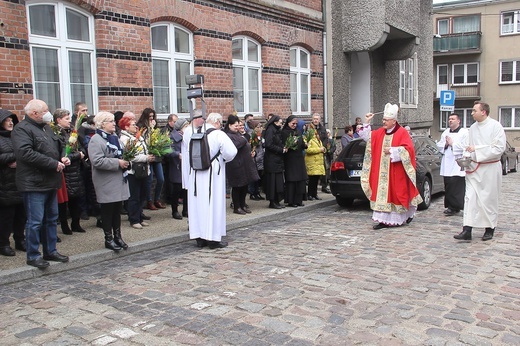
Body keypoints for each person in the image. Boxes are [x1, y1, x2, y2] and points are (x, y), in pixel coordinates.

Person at [12, 99, 69, 268]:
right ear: (34, 113)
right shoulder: (22, 129)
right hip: (33, 183)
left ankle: (50, 250)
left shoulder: (46, 127)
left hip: (50, 180)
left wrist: (63, 156)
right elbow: (25, 153)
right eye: (45, 110)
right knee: (35, 221)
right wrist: (53, 163)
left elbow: (59, 144)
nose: (48, 113)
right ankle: (33, 254)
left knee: (51, 219)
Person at [359, 103, 422, 230]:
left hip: (396, 171)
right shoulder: (379, 133)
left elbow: (409, 150)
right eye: (383, 119)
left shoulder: (402, 132)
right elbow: (367, 137)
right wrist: (367, 121)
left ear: (394, 121)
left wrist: (393, 151)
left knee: (398, 193)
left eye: (386, 120)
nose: (383, 122)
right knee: (382, 195)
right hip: (381, 172)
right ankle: (383, 220)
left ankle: (405, 216)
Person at [454, 101, 506, 241]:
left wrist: (477, 149)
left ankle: (489, 229)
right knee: (470, 198)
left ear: (483, 112)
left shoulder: (496, 127)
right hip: (475, 169)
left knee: (488, 200)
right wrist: (466, 158)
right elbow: (469, 147)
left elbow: (498, 149)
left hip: (490, 169)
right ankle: (467, 229)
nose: (471, 113)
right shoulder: (473, 128)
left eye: (474, 110)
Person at [184, 112, 237, 249]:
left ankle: (199, 237)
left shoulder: (195, 133)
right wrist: (223, 159)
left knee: (198, 204)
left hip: (196, 172)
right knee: (213, 203)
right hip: (212, 172)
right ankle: (213, 238)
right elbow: (231, 152)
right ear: (218, 122)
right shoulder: (218, 134)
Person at [88, 111, 130, 251]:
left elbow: (121, 154)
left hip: (117, 179)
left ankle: (118, 236)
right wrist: (117, 162)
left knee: (116, 210)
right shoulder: (96, 139)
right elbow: (97, 161)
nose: (114, 123)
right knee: (107, 211)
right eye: (111, 121)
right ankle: (108, 238)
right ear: (102, 124)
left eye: (113, 121)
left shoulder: (114, 138)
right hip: (105, 181)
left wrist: (126, 161)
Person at [54, 108, 87, 235]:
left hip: (76, 170)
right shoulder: (56, 133)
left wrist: (81, 153)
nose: (69, 121)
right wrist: (77, 156)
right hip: (65, 171)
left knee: (77, 198)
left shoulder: (73, 132)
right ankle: (64, 225)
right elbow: (61, 153)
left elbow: (81, 148)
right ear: (58, 120)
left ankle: (76, 223)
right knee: (64, 201)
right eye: (66, 119)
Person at [119, 116, 154, 229]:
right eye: (133, 125)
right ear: (126, 127)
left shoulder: (138, 137)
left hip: (143, 170)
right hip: (133, 172)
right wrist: (146, 158)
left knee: (142, 195)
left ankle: (140, 217)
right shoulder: (125, 139)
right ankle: (134, 219)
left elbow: (144, 149)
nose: (136, 127)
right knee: (134, 196)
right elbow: (131, 156)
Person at [0, 109, 26, 256]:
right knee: (6, 217)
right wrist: (13, 157)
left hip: (20, 181)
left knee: (21, 215)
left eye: (11, 120)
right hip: (5, 183)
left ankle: (20, 240)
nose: (10, 122)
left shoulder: (16, 137)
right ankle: (3, 244)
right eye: (7, 120)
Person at [224, 115, 259, 215]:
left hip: (245, 164)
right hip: (235, 165)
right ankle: (237, 206)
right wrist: (244, 139)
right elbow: (237, 145)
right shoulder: (228, 135)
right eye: (235, 126)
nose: (237, 127)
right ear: (230, 125)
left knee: (244, 186)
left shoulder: (239, 134)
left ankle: (243, 204)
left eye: (238, 125)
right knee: (237, 186)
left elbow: (246, 143)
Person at [436, 113, 469, 216]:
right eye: (449, 119)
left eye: (453, 119)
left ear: (458, 121)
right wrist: (445, 144)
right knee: (448, 184)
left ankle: (456, 206)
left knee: (456, 185)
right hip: (447, 162)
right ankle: (450, 205)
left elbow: (465, 146)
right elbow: (440, 145)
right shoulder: (445, 132)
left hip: (457, 162)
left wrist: (452, 144)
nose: (450, 121)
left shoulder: (464, 132)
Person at [137, 108, 166, 210]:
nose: (151, 118)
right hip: (147, 156)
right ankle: (149, 201)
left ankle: (157, 199)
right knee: (149, 180)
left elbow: (157, 139)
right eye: (149, 117)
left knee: (161, 178)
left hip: (155, 155)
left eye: (153, 116)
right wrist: (149, 129)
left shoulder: (155, 125)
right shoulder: (141, 127)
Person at [165, 117, 188, 219]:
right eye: (186, 126)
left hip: (186, 165)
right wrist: (177, 154)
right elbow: (167, 151)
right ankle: (174, 210)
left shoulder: (187, 136)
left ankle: (186, 210)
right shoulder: (172, 137)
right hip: (176, 165)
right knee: (177, 189)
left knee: (186, 189)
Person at [281, 115, 307, 207]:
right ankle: (291, 200)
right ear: (288, 123)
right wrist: (291, 143)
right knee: (292, 180)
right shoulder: (284, 132)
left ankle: (299, 200)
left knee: (300, 180)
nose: (295, 125)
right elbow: (285, 145)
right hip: (290, 159)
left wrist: (305, 144)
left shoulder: (298, 131)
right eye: (293, 123)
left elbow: (302, 143)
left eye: (296, 124)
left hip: (299, 158)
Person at [263, 115, 286, 209]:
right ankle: (272, 201)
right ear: (275, 122)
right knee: (272, 183)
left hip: (277, 160)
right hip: (271, 160)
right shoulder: (270, 130)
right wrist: (280, 150)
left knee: (278, 182)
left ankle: (277, 200)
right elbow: (268, 144)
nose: (281, 124)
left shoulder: (277, 130)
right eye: (280, 122)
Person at [305, 124, 326, 201]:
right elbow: (308, 150)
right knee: (312, 179)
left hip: (318, 162)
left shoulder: (317, 138)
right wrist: (319, 150)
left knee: (316, 179)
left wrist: (324, 149)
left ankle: (315, 194)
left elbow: (321, 146)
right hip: (312, 161)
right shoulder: (308, 138)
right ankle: (310, 194)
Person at [311, 113, 330, 194]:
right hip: (313, 152)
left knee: (324, 170)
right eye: (314, 119)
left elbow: (326, 139)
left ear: (319, 120)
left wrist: (323, 147)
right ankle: (312, 191)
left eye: (317, 119)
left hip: (321, 152)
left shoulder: (322, 129)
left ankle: (324, 186)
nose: (315, 120)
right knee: (313, 173)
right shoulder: (309, 128)